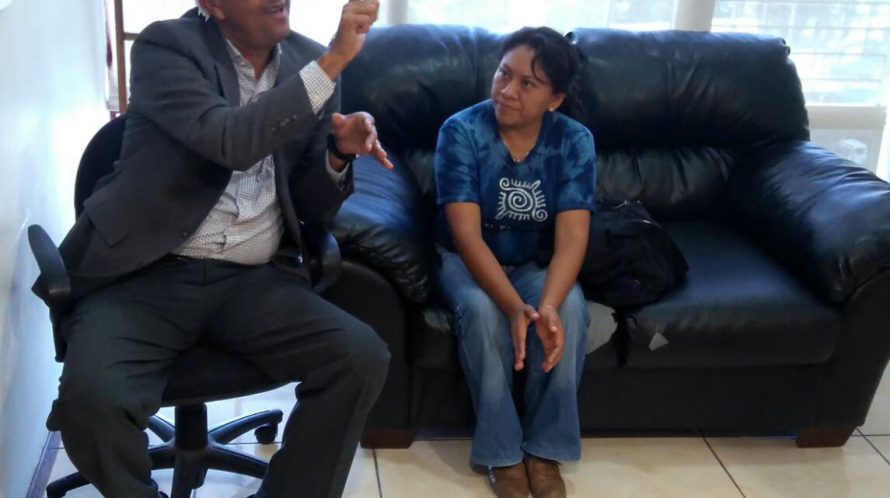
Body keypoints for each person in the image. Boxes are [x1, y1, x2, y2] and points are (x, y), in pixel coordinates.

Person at [36, 1, 393, 497]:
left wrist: (338, 154)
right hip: (144, 274)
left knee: (360, 356)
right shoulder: (166, 47)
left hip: (251, 280)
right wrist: (332, 62)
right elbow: (232, 140)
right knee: (90, 401)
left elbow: (310, 206)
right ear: (213, 5)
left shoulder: (309, 63)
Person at [434, 27, 595, 498]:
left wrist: (546, 306)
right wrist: (512, 307)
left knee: (568, 313)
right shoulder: (461, 131)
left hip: (535, 260)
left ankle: (544, 451)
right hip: (467, 259)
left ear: (555, 99)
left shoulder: (574, 141)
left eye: (528, 84)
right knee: (481, 313)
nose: (507, 90)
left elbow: (573, 236)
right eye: (504, 73)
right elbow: (466, 235)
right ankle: (501, 453)